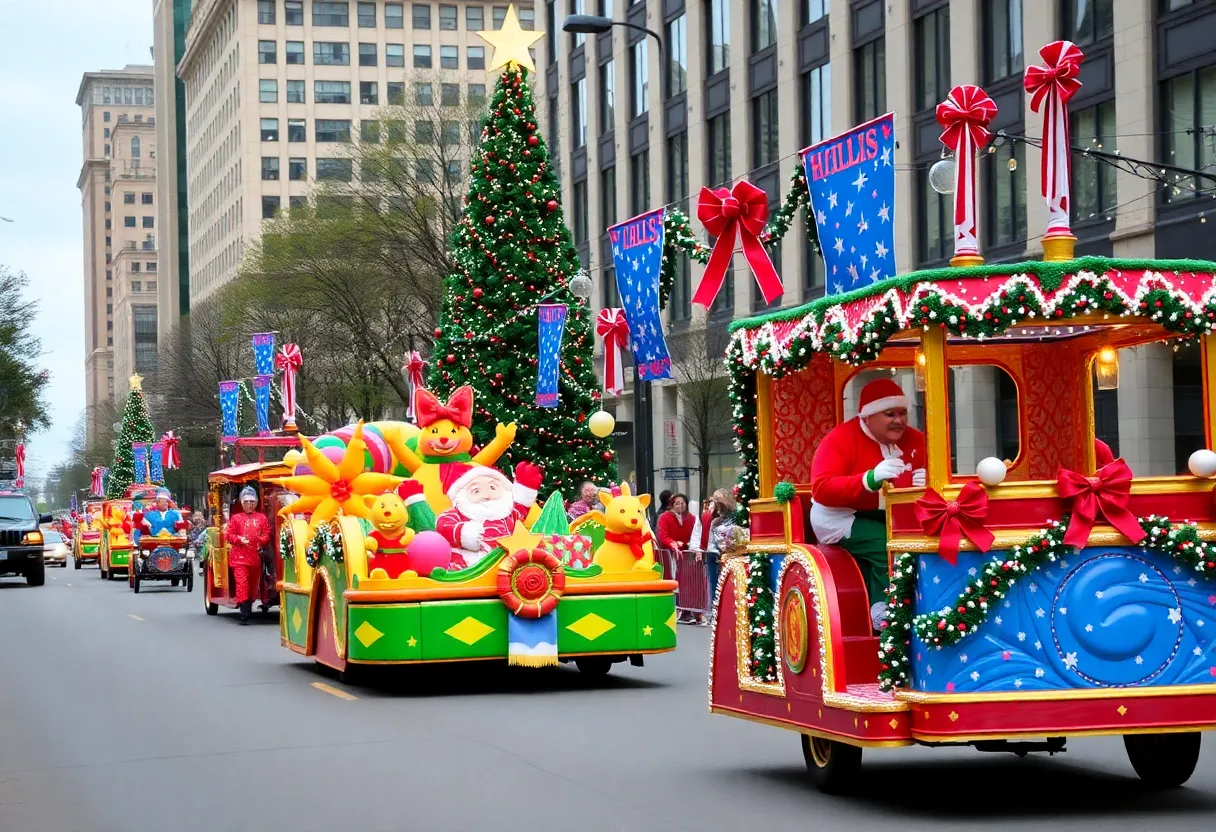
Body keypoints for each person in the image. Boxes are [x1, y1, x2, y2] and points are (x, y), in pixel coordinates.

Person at [811, 378, 926, 630]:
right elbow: (821, 489)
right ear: (868, 417)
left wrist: (927, 480)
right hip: (839, 517)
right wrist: (868, 479)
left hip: (892, 515)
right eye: (890, 414)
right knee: (886, 544)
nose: (899, 420)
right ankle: (884, 614)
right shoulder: (839, 440)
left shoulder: (915, 439)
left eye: (903, 413)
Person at [435, 461, 543, 569]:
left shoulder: (508, 511)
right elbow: (443, 525)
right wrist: (464, 533)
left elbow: (521, 506)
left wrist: (526, 486)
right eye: (476, 491)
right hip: (471, 562)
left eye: (493, 487)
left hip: (508, 560)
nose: (487, 495)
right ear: (461, 495)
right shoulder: (459, 512)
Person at [224, 486, 271, 624]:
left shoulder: (261, 518)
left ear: (256, 503)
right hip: (239, 557)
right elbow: (229, 535)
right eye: (247, 502)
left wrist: (259, 541)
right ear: (242, 503)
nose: (250, 504)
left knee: (252, 585)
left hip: (254, 557)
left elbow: (266, 534)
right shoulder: (236, 518)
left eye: (252, 501)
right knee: (242, 582)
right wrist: (239, 539)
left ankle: (248, 606)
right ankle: (244, 613)